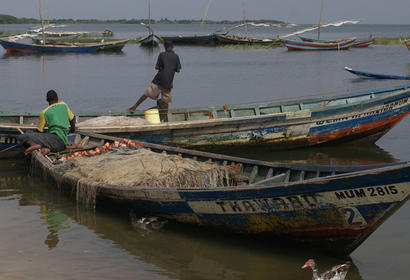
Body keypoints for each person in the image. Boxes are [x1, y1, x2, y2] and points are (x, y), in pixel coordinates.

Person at [127, 40, 181, 122]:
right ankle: (166, 119)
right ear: (172, 46)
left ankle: (134, 107)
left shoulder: (162, 54)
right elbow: (178, 70)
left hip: (159, 79)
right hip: (168, 82)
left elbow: (157, 67)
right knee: (165, 100)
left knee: (147, 93)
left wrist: (163, 67)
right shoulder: (176, 56)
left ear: (165, 47)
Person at [18, 90, 76, 155]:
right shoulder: (64, 105)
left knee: (22, 136)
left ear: (47, 100)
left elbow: (39, 131)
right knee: (46, 136)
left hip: (55, 139)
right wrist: (72, 130)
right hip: (62, 144)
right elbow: (73, 118)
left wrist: (32, 132)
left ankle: (34, 145)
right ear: (57, 98)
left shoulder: (45, 112)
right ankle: (46, 149)